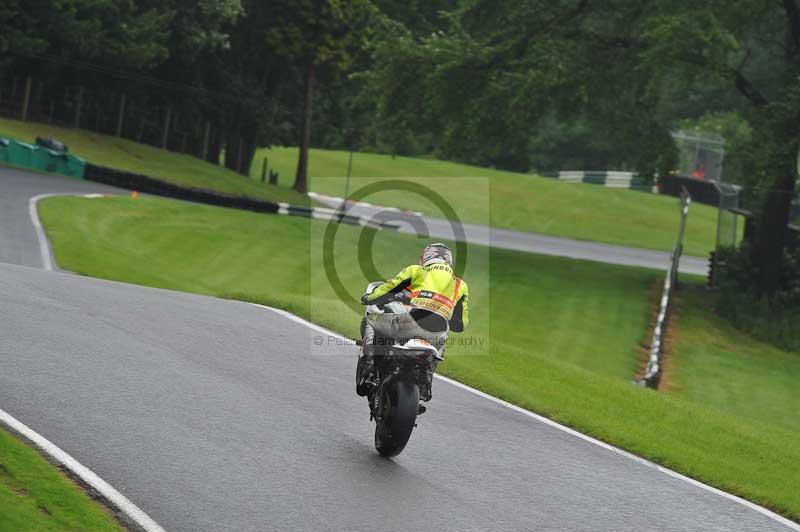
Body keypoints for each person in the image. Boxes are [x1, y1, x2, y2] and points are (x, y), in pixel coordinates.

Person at [356, 243, 469, 402]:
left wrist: (369, 298)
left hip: (411, 323)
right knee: (441, 344)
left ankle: (368, 364)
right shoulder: (460, 284)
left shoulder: (416, 270)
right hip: (438, 334)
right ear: (449, 261)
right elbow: (460, 324)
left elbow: (389, 288)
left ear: (426, 257)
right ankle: (427, 379)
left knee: (371, 318)